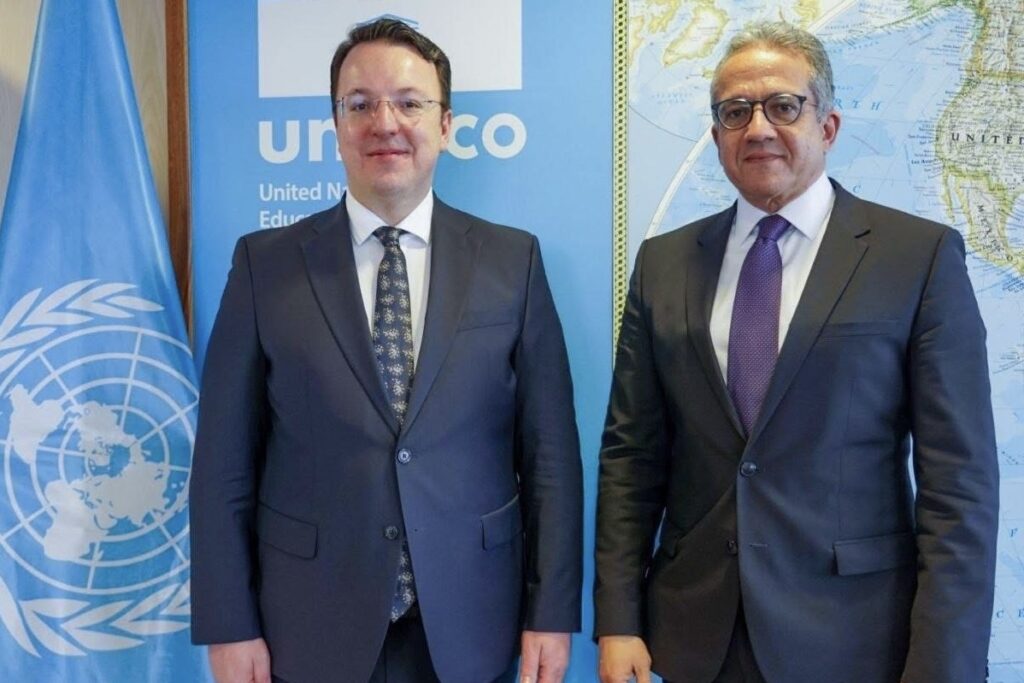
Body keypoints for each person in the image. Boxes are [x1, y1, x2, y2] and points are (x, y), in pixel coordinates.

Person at [594, 20, 998, 683]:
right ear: (717, 135)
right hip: (698, 636)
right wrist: (619, 619)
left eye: (783, 106)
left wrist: (942, 666)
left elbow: (959, 486)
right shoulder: (663, 264)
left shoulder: (916, 258)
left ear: (828, 126)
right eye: (735, 111)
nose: (757, 128)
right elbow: (631, 457)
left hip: (858, 637)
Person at [189, 18, 582, 683]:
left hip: (472, 621)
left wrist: (551, 612)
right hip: (308, 627)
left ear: (446, 125)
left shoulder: (512, 261)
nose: (385, 123)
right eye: (360, 104)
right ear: (336, 125)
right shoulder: (265, 266)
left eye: (409, 102)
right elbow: (223, 463)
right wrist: (229, 623)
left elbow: (550, 459)